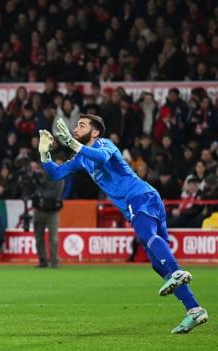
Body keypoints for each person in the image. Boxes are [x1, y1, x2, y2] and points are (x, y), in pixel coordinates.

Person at [38, 114, 208, 333]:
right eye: (76, 125)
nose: (76, 128)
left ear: (96, 131)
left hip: (140, 196)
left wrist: (73, 143)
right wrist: (44, 154)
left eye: (82, 125)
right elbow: (56, 174)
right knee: (157, 262)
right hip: (143, 200)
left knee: (148, 239)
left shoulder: (104, 144)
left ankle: (177, 271)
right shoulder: (81, 158)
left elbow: (100, 158)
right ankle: (194, 310)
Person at [31, 161, 64, 268]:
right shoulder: (39, 177)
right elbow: (33, 190)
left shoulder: (59, 178)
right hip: (39, 209)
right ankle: (43, 261)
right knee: (38, 237)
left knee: (53, 237)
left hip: (52, 210)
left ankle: (54, 261)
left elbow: (56, 193)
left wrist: (41, 195)